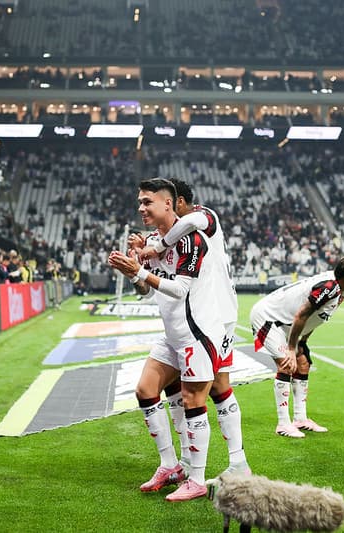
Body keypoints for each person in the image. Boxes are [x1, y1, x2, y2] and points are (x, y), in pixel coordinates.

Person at [108, 178, 225, 502]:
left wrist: (141, 271)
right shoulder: (149, 241)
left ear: (168, 204)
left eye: (147, 202)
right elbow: (144, 290)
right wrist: (132, 273)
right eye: (140, 202)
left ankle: (197, 479)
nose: (141, 207)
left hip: (197, 333)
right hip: (172, 334)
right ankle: (170, 465)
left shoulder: (191, 240)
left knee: (193, 400)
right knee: (145, 390)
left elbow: (180, 289)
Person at [135, 178, 249, 478]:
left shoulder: (202, 218)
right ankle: (182, 461)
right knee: (173, 388)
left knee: (218, 388)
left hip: (217, 314)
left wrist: (158, 245)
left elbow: (190, 225)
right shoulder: (165, 237)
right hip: (183, 321)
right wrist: (147, 252)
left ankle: (237, 462)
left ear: (178, 203)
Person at [251, 256, 344, 438]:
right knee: (287, 364)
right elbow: (301, 315)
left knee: (303, 363)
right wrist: (291, 348)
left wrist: (302, 342)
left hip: (287, 323)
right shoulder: (329, 288)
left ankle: (300, 418)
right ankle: (283, 423)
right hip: (269, 319)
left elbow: (315, 319)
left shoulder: (339, 287)